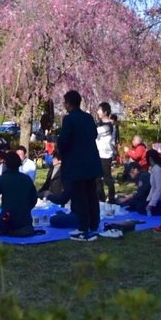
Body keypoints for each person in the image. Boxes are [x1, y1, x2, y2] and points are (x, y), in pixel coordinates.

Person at [56, 89, 102, 242]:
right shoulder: (88, 117)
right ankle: (94, 224)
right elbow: (94, 135)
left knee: (80, 197)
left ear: (69, 104)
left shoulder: (69, 119)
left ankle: (83, 228)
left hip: (77, 164)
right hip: (91, 161)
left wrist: (60, 147)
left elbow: (64, 140)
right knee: (91, 195)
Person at [0, 151, 38, 236]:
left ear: (6, 164)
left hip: (8, 221)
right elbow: (34, 199)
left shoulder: (1, 180)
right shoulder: (26, 179)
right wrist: (24, 210)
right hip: (25, 222)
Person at [95, 102, 116, 203]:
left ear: (105, 112)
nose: (98, 112)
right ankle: (101, 199)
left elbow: (96, 131)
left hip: (106, 155)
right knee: (97, 179)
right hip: (97, 154)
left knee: (107, 178)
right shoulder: (98, 124)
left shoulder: (109, 126)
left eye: (99, 110)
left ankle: (112, 198)